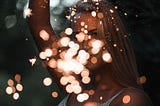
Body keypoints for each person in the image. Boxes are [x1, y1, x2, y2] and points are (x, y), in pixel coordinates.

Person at [27, 0, 153, 106]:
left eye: (94, 34)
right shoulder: (72, 84)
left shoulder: (131, 100)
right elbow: (38, 23)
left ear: (112, 40)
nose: (84, 44)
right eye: (77, 36)